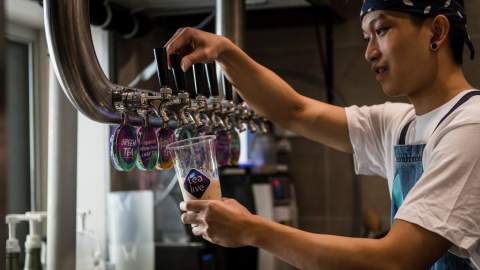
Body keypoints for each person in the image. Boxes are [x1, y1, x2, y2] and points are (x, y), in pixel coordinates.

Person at [165, 0, 480, 269]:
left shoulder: (470, 127)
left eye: (381, 30)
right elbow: (294, 111)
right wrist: (225, 53)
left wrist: (252, 230)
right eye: (366, 37)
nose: (369, 52)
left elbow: (396, 260)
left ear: (436, 33)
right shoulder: (401, 124)